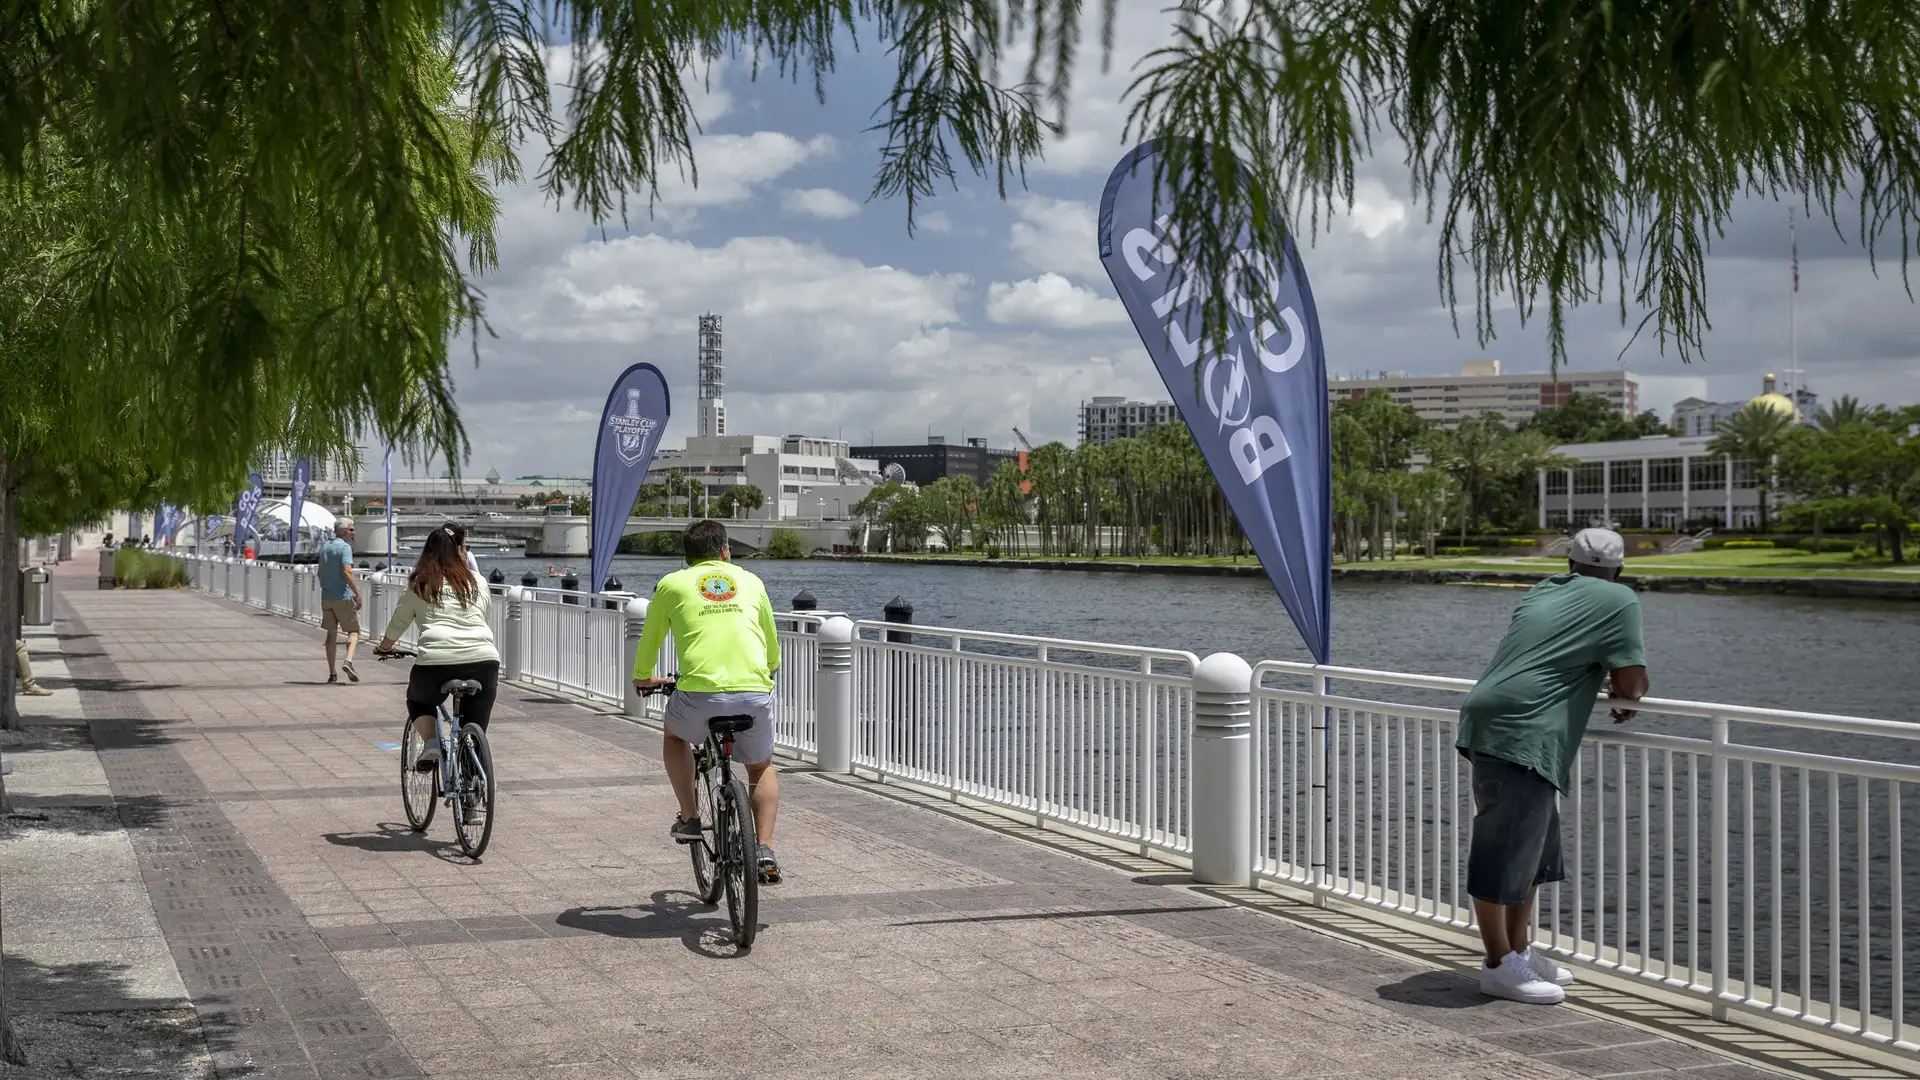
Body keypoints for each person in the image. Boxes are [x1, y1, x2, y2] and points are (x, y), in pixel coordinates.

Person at [1456, 527, 1649, 1004]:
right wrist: (1625, 692)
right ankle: (1498, 964)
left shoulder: (1544, 588)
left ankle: (1519, 950)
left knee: (1532, 854)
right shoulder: (1621, 599)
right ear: (1619, 569)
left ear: (1571, 566)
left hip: (1502, 719)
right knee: (1502, 850)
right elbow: (1633, 679)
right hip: (1524, 729)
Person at [632, 520, 785, 884]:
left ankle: (690, 817)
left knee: (674, 736)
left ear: (687, 559)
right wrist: (764, 673)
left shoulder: (671, 584)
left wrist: (642, 677)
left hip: (699, 694)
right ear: (725, 551)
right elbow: (772, 648)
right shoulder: (751, 581)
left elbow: (650, 640)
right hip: (753, 690)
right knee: (760, 767)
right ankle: (764, 848)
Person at [375, 526, 499, 816]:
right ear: (460, 550)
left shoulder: (420, 582)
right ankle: (472, 800)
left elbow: (399, 622)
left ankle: (431, 742)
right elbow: (484, 615)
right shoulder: (477, 581)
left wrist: (384, 647)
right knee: (474, 730)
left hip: (436, 661)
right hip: (484, 661)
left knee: (419, 701)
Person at [318, 521, 363, 684]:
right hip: (343, 597)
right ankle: (348, 661)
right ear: (343, 531)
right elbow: (347, 571)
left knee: (331, 635)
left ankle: (332, 674)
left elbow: (319, 572)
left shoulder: (325, 547)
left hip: (327, 597)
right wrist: (357, 593)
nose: (353, 533)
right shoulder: (345, 548)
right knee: (353, 631)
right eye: (351, 530)